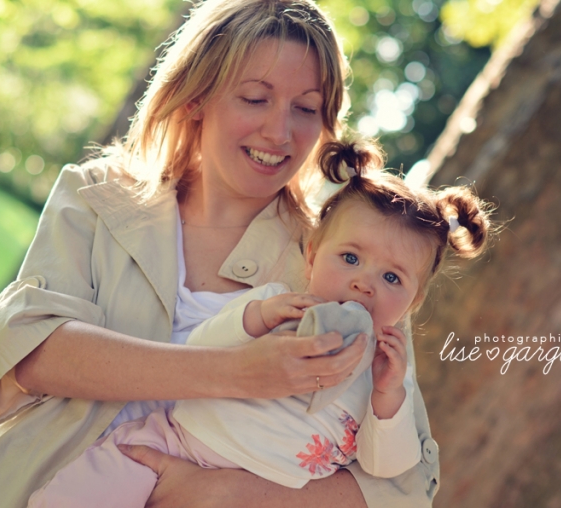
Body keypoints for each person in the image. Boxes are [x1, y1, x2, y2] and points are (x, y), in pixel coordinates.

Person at [0, 1, 440, 507]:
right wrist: (235, 372)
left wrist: (223, 493)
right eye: (255, 98)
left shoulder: (344, 262)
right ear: (197, 96)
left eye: (305, 108)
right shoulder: (98, 195)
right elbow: (33, 351)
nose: (279, 131)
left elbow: (404, 488)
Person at [26, 139, 492, 508]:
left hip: (263, 492)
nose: (364, 284)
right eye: (350, 258)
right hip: (174, 441)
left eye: (392, 278)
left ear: (413, 302)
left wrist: (388, 398)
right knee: (84, 491)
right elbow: (199, 348)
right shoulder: (276, 304)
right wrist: (254, 320)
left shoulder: (388, 372)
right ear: (312, 256)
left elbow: (386, 468)